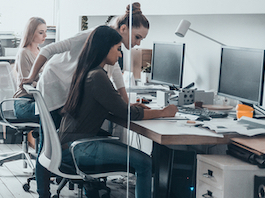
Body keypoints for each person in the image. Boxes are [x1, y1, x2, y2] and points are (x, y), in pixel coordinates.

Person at [34, 25, 178, 197]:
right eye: (117, 49)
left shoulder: (87, 71)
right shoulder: (97, 76)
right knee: (145, 163)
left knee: (137, 157)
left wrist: (130, 107)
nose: (120, 54)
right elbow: (126, 114)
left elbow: (116, 107)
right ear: (105, 48)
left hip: (69, 145)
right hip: (80, 148)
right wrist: (164, 112)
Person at [11, 17, 48, 148]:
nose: (45, 35)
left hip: (37, 101)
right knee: (52, 114)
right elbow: (27, 85)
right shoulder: (24, 53)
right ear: (31, 33)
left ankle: (49, 154)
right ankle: (44, 155)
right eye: (41, 32)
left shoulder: (41, 52)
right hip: (24, 103)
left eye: (45, 31)